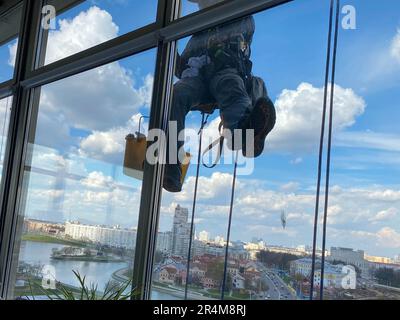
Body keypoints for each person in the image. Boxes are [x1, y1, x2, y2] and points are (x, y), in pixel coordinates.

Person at [163, 0, 276, 193]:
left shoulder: (239, 18)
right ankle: (170, 168)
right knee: (175, 95)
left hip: (223, 70)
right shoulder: (201, 30)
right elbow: (181, 67)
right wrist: (169, 49)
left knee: (232, 86)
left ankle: (244, 133)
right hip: (200, 76)